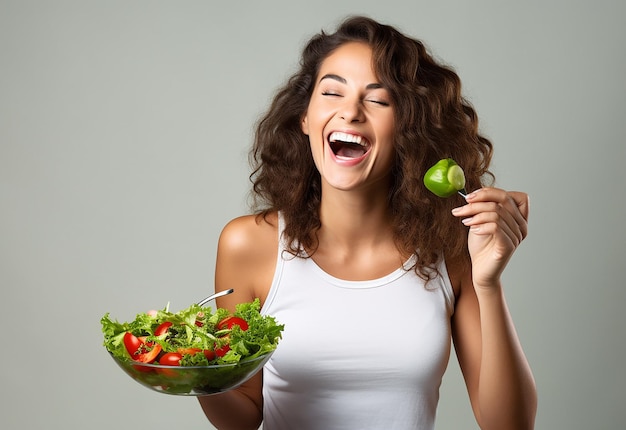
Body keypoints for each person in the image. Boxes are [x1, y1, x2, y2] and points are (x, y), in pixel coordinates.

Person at [198, 16, 537, 430]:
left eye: (378, 100)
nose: (350, 112)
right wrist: (200, 374)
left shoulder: (451, 247)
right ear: (305, 119)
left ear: (408, 128)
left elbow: (509, 425)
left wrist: (489, 283)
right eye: (332, 93)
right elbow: (244, 417)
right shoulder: (247, 244)